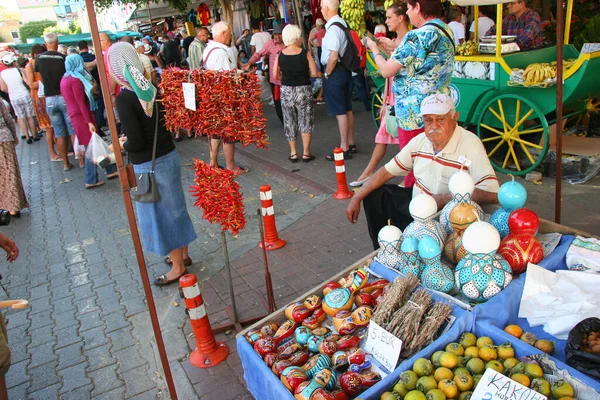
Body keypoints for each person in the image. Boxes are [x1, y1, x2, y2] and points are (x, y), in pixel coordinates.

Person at [347, 94, 500, 249]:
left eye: (440, 119)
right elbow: (387, 171)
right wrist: (357, 197)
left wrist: (444, 199)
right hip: (417, 206)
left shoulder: (470, 143)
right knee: (374, 195)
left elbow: (493, 193)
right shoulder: (420, 141)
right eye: (428, 120)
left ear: (455, 118)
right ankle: (383, 251)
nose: (434, 126)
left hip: (445, 218)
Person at [107, 42, 197, 285]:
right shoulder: (151, 88)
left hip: (149, 165)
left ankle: (177, 267)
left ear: (116, 68)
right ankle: (184, 256)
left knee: (162, 215)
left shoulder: (125, 98)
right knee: (175, 208)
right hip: (168, 155)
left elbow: (136, 142)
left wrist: (120, 145)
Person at [366, 0, 455, 188]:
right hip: (440, 109)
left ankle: (416, 206)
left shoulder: (416, 36)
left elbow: (386, 71)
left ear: (418, 8)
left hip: (414, 114)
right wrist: (394, 48)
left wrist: (375, 50)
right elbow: (419, 61)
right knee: (434, 161)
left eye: (408, 8)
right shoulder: (445, 30)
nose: (407, 12)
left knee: (413, 165)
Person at [350, 3, 409, 187]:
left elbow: (387, 71)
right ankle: (368, 173)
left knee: (406, 143)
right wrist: (384, 101)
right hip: (393, 98)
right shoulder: (397, 42)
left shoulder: (408, 42)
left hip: (403, 101)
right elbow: (389, 76)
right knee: (382, 137)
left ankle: (407, 179)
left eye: (390, 17)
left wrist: (376, 50)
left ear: (401, 18)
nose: (386, 21)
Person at [61, 54, 118, 188]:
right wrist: (89, 122)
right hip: (82, 117)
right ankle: (91, 179)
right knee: (91, 148)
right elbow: (81, 102)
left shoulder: (65, 78)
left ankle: (110, 170)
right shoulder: (75, 80)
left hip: (76, 115)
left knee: (95, 145)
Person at [203, 22, 247, 175]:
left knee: (216, 130)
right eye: (228, 34)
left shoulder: (209, 49)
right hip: (224, 97)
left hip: (214, 96)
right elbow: (226, 77)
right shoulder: (220, 52)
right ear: (222, 34)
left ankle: (213, 162)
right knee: (228, 132)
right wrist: (239, 74)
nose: (230, 37)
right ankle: (231, 166)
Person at [273, 24, 318, 163]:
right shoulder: (305, 53)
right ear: (297, 37)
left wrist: (284, 78)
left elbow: (275, 74)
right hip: (303, 89)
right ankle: (306, 152)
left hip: (286, 90)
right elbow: (315, 73)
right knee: (305, 120)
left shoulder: (280, 54)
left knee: (289, 121)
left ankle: (293, 153)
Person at [320, 0, 356, 161]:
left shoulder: (333, 29)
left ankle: (344, 147)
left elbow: (333, 57)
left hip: (335, 71)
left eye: (321, 7)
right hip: (345, 70)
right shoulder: (342, 24)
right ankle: (351, 142)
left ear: (326, 8)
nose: (321, 10)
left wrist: (327, 73)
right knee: (347, 108)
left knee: (340, 110)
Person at [35, 33, 76, 171]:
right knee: (72, 130)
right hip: (64, 96)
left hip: (50, 99)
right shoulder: (63, 58)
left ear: (45, 43)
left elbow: (40, 78)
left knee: (59, 133)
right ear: (57, 43)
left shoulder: (39, 58)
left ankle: (65, 163)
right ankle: (81, 159)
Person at [245, 25, 286, 124]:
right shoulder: (269, 44)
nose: (277, 37)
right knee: (278, 101)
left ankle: (292, 119)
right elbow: (258, 54)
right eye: (275, 34)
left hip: (289, 78)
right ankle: (284, 121)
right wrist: (250, 62)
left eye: (279, 34)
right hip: (276, 80)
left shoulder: (289, 43)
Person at [24, 44, 58, 158]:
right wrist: (44, 80)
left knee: (54, 126)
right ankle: (52, 153)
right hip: (39, 99)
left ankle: (58, 150)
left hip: (47, 96)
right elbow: (31, 85)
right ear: (35, 55)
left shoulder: (42, 63)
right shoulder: (30, 66)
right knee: (49, 127)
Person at [0, 53, 38, 145]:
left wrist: (11, 90)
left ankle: (27, 136)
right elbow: (27, 82)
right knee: (30, 116)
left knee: (21, 117)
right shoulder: (19, 70)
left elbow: (3, 88)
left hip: (13, 97)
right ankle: (34, 135)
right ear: (14, 62)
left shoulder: (2, 74)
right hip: (24, 94)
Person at [0, 98, 28, 217]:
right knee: (10, 170)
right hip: (4, 137)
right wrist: (14, 135)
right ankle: (14, 207)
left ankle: (4, 205)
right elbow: (8, 119)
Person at [78, 40, 106, 130]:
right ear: (86, 46)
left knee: (89, 105)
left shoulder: (78, 60)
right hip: (97, 84)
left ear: (79, 48)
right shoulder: (93, 57)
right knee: (99, 104)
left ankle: (94, 123)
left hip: (84, 87)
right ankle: (100, 122)